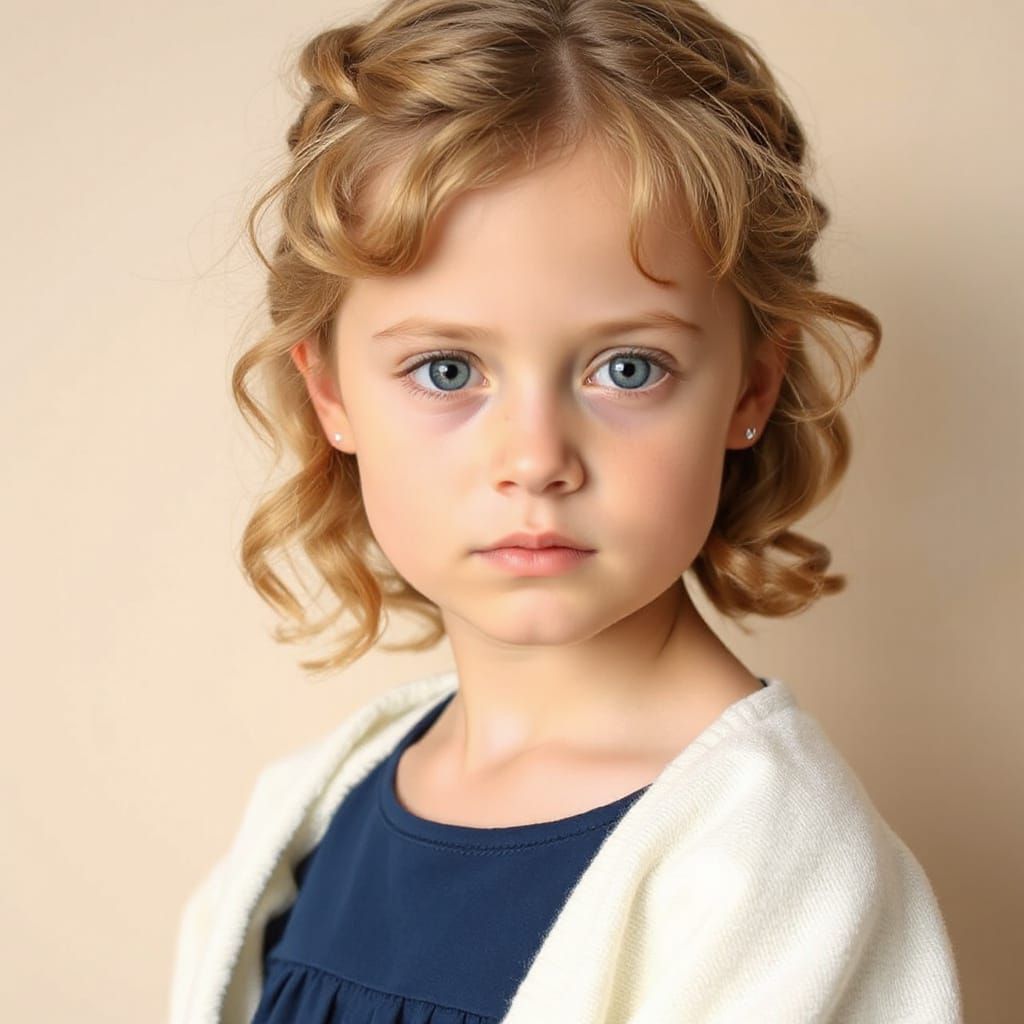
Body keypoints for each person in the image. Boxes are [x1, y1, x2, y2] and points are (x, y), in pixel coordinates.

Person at [169, 1, 963, 1021]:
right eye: (446, 367)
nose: (536, 459)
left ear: (750, 390)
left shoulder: (774, 875)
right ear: (330, 394)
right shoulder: (313, 807)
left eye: (627, 367)